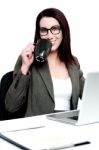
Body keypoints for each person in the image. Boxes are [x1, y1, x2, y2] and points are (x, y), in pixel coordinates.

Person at [5, 8, 85, 118]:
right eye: (44, 30)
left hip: (67, 125)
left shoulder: (73, 63)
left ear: (63, 31)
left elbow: (91, 96)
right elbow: (11, 105)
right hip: (38, 127)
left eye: (55, 29)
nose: (49, 35)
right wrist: (25, 66)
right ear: (39, 34)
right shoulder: (29, 60)